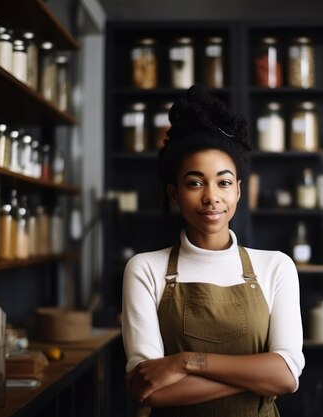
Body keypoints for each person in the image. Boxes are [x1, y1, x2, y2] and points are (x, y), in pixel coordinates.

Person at [122, 85, 304, 416]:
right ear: (174, 194)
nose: (211, 197)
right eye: (194, 183)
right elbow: (151, 391)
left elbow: (287, 375)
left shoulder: (276, 267)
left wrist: (186, 363)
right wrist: (259, 377)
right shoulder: (145, 269)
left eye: (223, 182)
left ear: (238, 191)